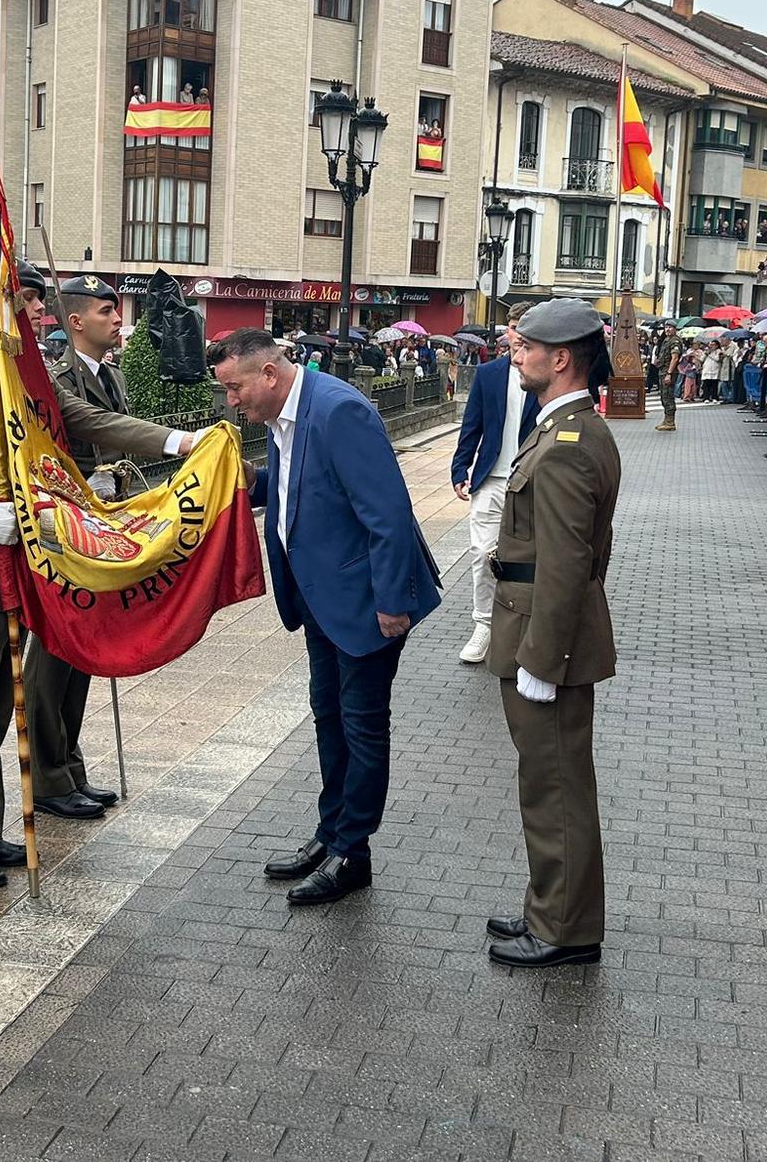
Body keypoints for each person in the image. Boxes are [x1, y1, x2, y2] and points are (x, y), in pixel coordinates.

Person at [0, 271, 201, 890]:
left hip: (22, 564)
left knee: (3, 706)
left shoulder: (21, 381)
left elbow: (86, 420)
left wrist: (179, 439)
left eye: (36, 302)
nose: (38, 314)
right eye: (26, 303)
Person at [212, 327, 440, 907]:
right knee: (329, 716)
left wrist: (392, 601)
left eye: (235, 388)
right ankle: (330, 833)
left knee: (362, 725)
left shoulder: (339, 411)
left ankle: (353, 853)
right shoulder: (283, 417)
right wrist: (246, 482)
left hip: (365, 600)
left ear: (268, 372)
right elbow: (297, 490)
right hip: (320, 599)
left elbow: (388, 512)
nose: (231, 401)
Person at [484, 298, 619, 968]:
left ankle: (564, 930)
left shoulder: (569, 441)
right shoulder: (566, 429)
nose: (518, 353)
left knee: (555, 784)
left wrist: (544, 657)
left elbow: (568, 561)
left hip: (545, 639)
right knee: (548, 779)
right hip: (541, 628)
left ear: (560, 358)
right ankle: (552, 908)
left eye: (525, 346)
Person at [21, 274, 141, 821]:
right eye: (105, 311)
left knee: (84, 648)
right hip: (62, 526)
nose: (117, 319)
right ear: (75, 322)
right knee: (56, 649)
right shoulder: (53, 376)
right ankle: (48, 775)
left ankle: (70, 765)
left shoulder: (112, 375)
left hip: (99, 523)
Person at [451, 303, 538, 665]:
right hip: (491, 479)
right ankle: (483, 625)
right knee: (481, 554)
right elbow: (472, 426)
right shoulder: (489, 374)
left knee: (531, 558)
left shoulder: (546, 374)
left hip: (533, 481)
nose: (516, 333)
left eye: (524, 326)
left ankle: (524, 627)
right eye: (513, 325)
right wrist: (460, 470)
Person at [653, 331, 679, 431]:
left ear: (674, 329)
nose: (667, 329)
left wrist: (669, 373)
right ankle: (666, 420)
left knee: (668, 396)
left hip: (668, 372)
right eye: (666, 327)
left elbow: (675, 358)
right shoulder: (666, 340)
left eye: (670, 327)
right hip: (663, 371)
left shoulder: (675, 341)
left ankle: (670, 422)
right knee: (664, 396)